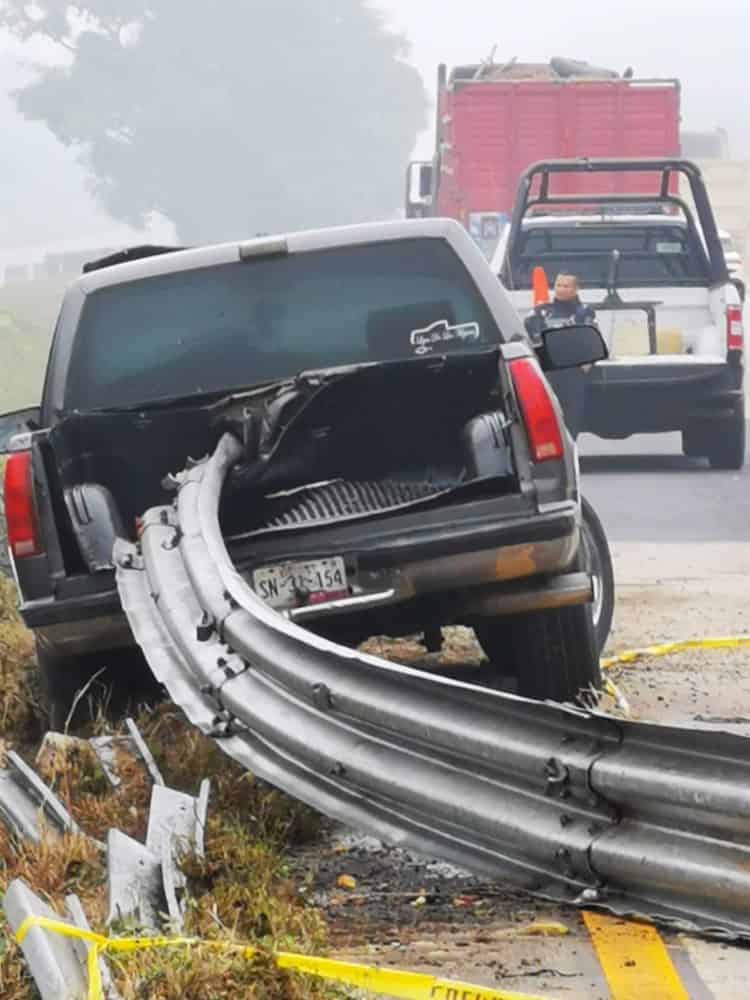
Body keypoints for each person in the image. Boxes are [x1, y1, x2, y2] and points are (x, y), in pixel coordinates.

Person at [524, 273, 598, 440]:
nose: (561, 289)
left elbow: (591, 338)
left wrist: (587, 364)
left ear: (576, 289)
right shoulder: (541, 311)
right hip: (548, 371)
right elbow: (530, 334)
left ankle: (570, 451)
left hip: (573, 372)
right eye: (558, 285)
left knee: (571, 417)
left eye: (566, 286)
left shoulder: (584, 311)